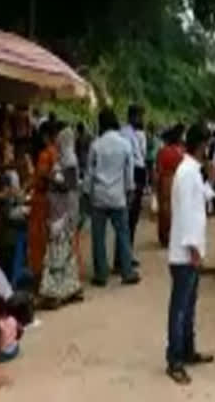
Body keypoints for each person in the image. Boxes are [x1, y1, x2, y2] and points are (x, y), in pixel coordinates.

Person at [165, 123, 214, 384]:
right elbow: (186, 214)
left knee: (189, 305)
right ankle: (174, 359)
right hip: (185, 252)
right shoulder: (186, 173)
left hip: (191, 250)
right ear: (201, 145)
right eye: (206, 145)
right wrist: (194, 247)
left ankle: (187, 349)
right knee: (180, 307)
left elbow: (202, 199)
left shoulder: (194, 172)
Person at [85, 108, 140, 286]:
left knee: (98, 237)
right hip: (118, 196)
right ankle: (127, 272)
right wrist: (130, 190)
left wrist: (87, 193)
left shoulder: (96, 145)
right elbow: (128, 172)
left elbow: (89, 173)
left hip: (99, 197)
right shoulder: (125, 144)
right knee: (123, 235)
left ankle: (101, 274)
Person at [38, 126, 84, 308]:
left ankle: (54, 292)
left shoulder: (69, 160)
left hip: (62, 213)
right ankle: (69, 288)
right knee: (65, 251)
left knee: (58, 251)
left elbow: (68, 185)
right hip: (61, 210)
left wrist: (51, 177)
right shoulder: (64, 158)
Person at [28, 120, 58, 284]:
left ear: (46, 135)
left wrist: (29, 186)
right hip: (54, 202)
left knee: (39, 241)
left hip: (41, 201)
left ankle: (40, 277)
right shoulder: (58, 152)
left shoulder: (45, 155)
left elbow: (40, 179)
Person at [120, 104, 147, 268]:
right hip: (133, 175)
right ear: (132, 117)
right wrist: (131, 185)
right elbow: (129, 161)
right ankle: (124, 257)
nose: (141, 120)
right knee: (129, 219)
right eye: (139, 116)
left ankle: (127, 253)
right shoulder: (125, 134)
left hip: (138, 173)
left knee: (133, 219)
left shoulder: (134, 134)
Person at [156, 124, 186, 247]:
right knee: (178, 208)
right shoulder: (182, 151)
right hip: (179, 180)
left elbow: (158, 168)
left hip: (165, 181)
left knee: (165, 210)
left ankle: (165, 237)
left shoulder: (163, 151)